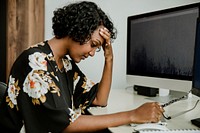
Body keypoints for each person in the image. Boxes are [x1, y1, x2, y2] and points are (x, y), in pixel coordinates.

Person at [0, 1, 164, 132]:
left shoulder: (64, 63)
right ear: (78, 30)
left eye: (97, 48)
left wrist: (109, 57)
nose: (92, 53)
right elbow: (66, 125)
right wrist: (132, 115)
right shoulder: (35, 62)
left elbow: (100, 99)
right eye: (93, 44)